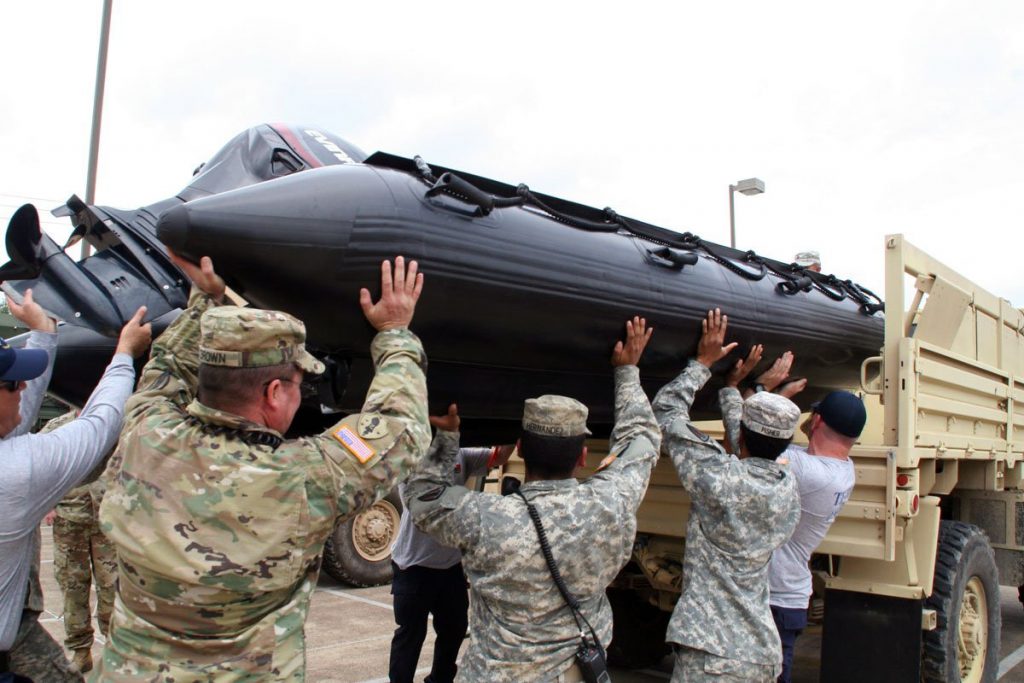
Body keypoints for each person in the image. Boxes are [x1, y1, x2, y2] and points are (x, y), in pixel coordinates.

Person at [95, 253, 431, 681]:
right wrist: (395, 332)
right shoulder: (304, 478)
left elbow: (165, 370)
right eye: (298, 385)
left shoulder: (144, 431)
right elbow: (401, 429)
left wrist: (207, 300)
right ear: (274, 392)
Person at [405, 316, 661, 683]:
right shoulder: (612, 503)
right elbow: (642, 441)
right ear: (583, 456)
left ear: (521, 449)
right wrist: (628, 372)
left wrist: (446, 437)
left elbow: (424, 496)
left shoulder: (484, 518)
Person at [0, 293, 151, 683]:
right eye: (14, 384)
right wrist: (124, 355)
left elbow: (13, 421)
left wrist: (44, 333)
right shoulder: (15, 473)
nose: (23, 390)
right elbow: (99, 428)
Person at [652, 309, 801, 683]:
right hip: (761, 654)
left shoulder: (719, 477)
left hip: (712, 654)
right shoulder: (786, 488)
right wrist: (736, 390)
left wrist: (703, 363)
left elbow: (666, 411)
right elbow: (749, 446)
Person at [721, 350, 864, 683]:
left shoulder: (809, 472)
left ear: (816, 422)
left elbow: (741, 438)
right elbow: (772, 442)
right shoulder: (840, 469)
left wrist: (757, 388)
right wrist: (776, 396)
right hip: (786, 598)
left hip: (775, 600)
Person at [388, 404, 513, 683]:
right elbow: (432, 493)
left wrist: (511, 422)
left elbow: (499, 457)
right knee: (410, 635)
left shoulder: (462, 453)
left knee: (454, 630)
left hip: (449, 567)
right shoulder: (410, 458)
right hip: (413, 565)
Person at [41, 409, 119, 675]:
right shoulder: (58, 426)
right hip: (69, 519)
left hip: (109, 523)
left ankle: (112, 650)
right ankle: (81, 651)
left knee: (112, 589)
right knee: (73, 588)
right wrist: (47, 503)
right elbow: (39, 467)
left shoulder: (115, 425)